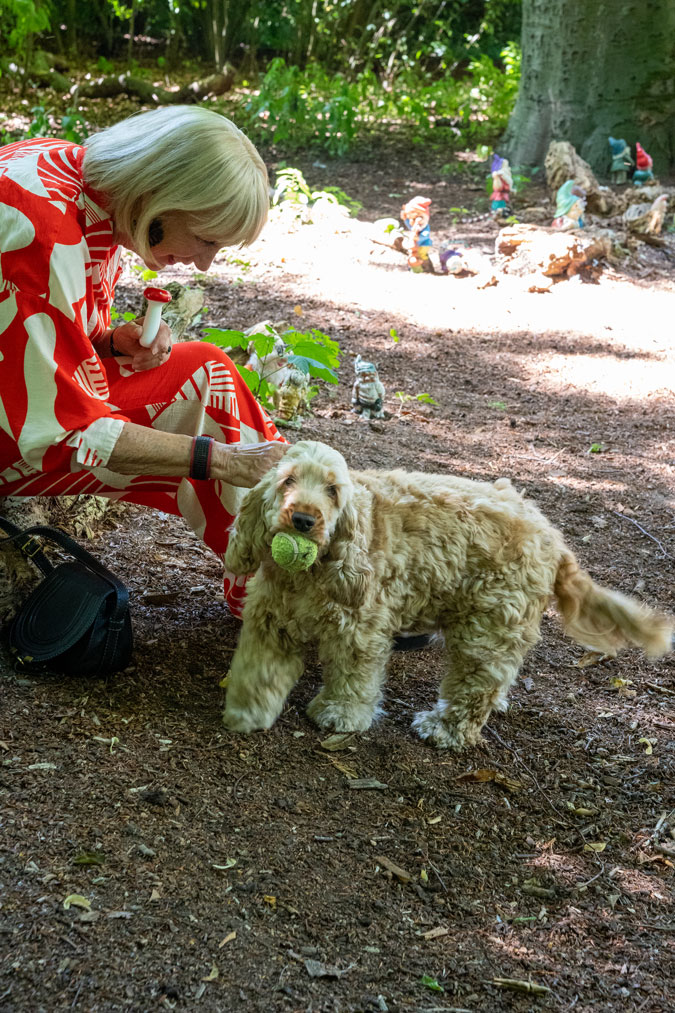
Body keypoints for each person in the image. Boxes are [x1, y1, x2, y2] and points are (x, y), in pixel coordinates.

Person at [0, 105, 288, 617]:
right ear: (166, 190)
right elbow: (57, 429)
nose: (204, 263)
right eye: (207, 240)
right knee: (207, 402)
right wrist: (217, 459)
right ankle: (289, 592)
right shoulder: (43, 232)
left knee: (203, 366)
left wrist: (110, 342)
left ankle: (288, 577)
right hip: (18, 434)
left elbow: (41, 341)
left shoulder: (72, 180)